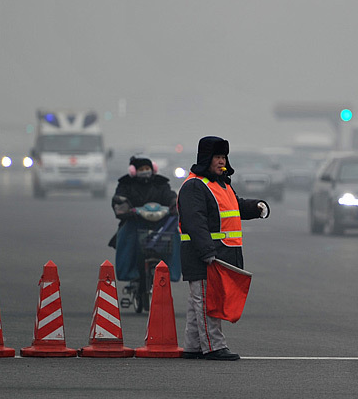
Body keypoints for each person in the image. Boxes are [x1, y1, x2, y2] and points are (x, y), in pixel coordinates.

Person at [177, 136, 270, 360]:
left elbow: (234, 207)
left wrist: (256, 208)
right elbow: (194, 222)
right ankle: (214, 346)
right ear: (206, 159)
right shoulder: (194, 186)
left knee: (198, 300)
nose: (222, 161)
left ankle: (192, 346)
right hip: (204, 255)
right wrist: (207, 252)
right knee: (207, 301)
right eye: (217, 157)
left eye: (224, 157)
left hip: (220, 253)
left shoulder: (222, 184)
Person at [109, 156, 181, 287]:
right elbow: (119, 198)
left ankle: (172, 271)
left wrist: (173, 205)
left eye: (147, 168)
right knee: (125, 235)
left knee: (174, 233)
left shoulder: (161, 183)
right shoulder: (126, 184)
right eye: (141, 169)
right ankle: (129, 272)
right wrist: (127, 210)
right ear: (133, 171)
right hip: (135, 221)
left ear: (153, 169)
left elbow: (170, 196)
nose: (145, 171)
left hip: (160, 222)